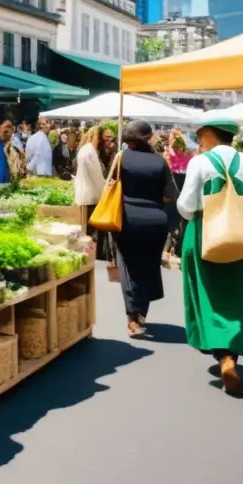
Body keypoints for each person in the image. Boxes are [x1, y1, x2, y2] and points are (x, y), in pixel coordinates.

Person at [178, 115, 243, 397]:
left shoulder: (199, 163)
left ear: (209, 134)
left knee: (208, 299)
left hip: (204, 236)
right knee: (241, 299)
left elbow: (186, 206)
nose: (198, 142)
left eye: (199, 136)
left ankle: (224, 357)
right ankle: (232, 355)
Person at [113, 121, 179, 338]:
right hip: (154, 221)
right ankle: (141, 314)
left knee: (128, 266)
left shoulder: (121, 158)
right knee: (149, 267)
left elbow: (111, 186)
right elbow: (171, 195)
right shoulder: (159, 162)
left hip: (126, 219)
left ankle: (132, 318)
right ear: (147, 137)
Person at [74, 125, 115, 261]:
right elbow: (96, 176)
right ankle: (92, 257)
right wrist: (105, 188)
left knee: (86, 230)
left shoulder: (85, 150)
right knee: (90, 232)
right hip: (91, 196)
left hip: (84, 194)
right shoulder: (90, 152)